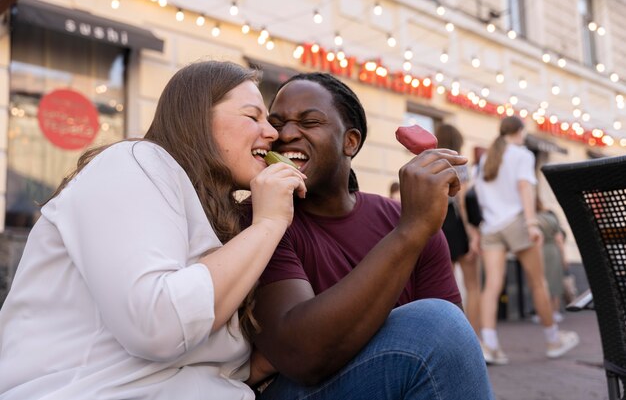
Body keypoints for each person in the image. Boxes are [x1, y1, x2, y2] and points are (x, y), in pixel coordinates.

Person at [0, 61, 307, 399]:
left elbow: (215, 359)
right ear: (199, 119)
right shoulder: (134, 162)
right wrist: (268, 223)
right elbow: (159, 326)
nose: (273, 133)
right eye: (253, 116)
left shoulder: (215, 218)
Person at [250, 72, 494, 399]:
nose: (287, 133)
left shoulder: (407, 219)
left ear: (350, 142)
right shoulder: (267, 217)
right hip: (296, 390)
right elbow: (300, 356)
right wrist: (409, 232)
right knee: (439, 323)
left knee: (444, 325)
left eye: (309, 122)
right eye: (277, 123)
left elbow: (447, 363)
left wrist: (414, 227)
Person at [474, 115, 579, 365]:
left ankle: (489, 346)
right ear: (520, 132)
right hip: (517, 223)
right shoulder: (522, 154)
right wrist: (532, 223)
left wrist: (479, 231)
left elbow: (478, 195)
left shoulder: (486, 158)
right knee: (538, 283)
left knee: (491, 287)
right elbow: (525, 188)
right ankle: (553, 340)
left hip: (491, 227)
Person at [435, 123, 482, 336]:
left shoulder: (433, 162)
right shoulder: (458, 162)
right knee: (473, 286)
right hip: (457, 224)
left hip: (438, 223)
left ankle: (452, 335)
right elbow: (462, 202)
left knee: (446, 286)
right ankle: (474, 336)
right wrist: (472, 235)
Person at [534, 197, 570, 324]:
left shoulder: (532, 219)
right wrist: (564, 256)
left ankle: (543, 313)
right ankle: (554, 312)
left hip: (539, 252)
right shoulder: (551, 216)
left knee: (541, 283)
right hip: (553, 251)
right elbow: (559, 238)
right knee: (555, 282)